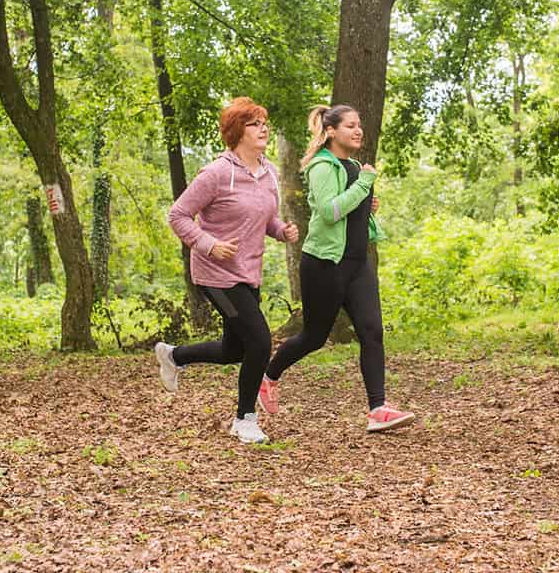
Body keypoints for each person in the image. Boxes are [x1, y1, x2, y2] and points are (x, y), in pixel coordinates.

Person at [257, 104, 415, 432]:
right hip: (326, 264)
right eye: (350, 126)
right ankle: (268, 376)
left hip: (357, 264)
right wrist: (363, 186)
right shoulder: (321, 166)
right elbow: (329, 212)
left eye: (359, 125)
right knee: (314, 337)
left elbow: (351, 207)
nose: (358, 131)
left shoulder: (354, 165)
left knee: (372, 332)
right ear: (331, 131)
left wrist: (367, 204)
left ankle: (378, 409)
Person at [157, 97, 299, 444]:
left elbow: (264, 218)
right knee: (260, 341)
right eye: (254, 124)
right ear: (237, 132)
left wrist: (281, 230)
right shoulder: (217, 173)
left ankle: (174, 355)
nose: (263, 128)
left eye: (265, 122)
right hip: (215, 274)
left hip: (248, 272)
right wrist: (208, 244)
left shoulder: (269, 174)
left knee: (235, 350)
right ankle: (245, 418)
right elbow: (177, 215)